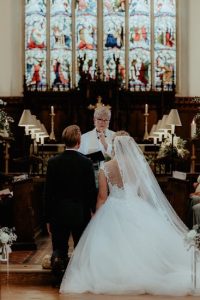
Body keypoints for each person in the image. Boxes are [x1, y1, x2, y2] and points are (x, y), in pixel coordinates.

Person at [60, 131, 195, 296]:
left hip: (112, 208)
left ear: (115, 146)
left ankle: (117, 276)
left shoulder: (106, 167)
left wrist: (95, 217)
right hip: (136, 206)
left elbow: (102, 197)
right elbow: (145, 194)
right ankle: (145, 274)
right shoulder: (139, 165)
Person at [44, 125, 97, 284]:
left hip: (58, 212)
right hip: (80, 213)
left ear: (64, 141)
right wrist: (93, 211)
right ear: (79, 142)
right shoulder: (86, 163)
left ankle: (58, 277)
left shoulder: (53, 162)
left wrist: (47, 218)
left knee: (59, 247)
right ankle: (78, 279)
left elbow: (48, 193)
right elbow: (90, 191)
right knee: (80, 247)